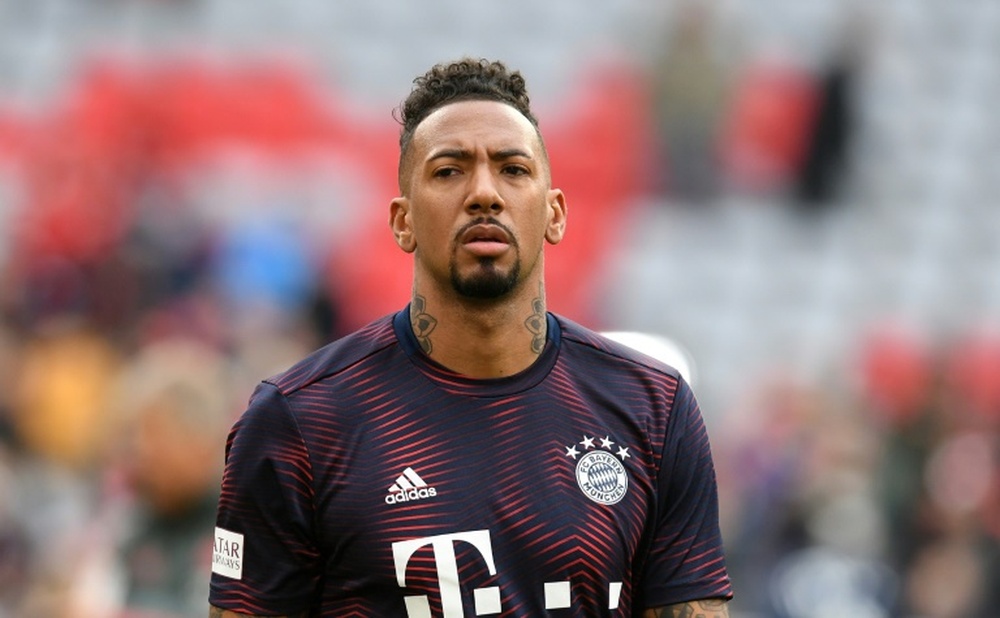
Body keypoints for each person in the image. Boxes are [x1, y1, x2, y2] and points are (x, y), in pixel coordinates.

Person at [208, 58, 733, 617]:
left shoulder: (653, 408)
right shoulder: (299, 421)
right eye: (449, 171)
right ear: (403, 221)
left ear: (554, 214)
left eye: (513, 169)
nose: (484, 193)